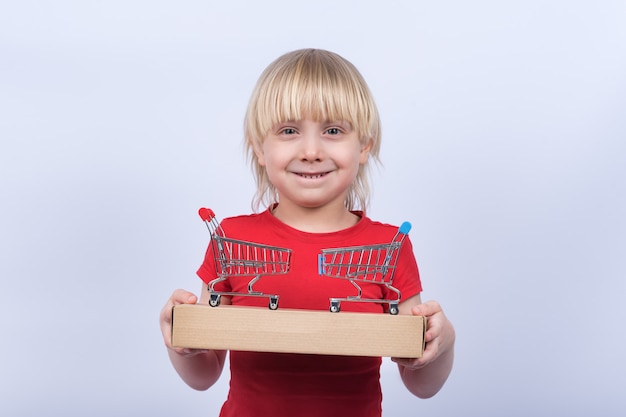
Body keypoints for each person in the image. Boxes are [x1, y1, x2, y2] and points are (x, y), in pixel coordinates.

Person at [159, 48, 455, 417]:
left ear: (364, 146)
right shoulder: (231, 241)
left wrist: (441, 346)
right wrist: (180, 341)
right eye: (289, 131)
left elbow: (420, 384)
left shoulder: (388, 249)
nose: (312, 150)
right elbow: (203, 376)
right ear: (259, 147)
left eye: (333, 131)